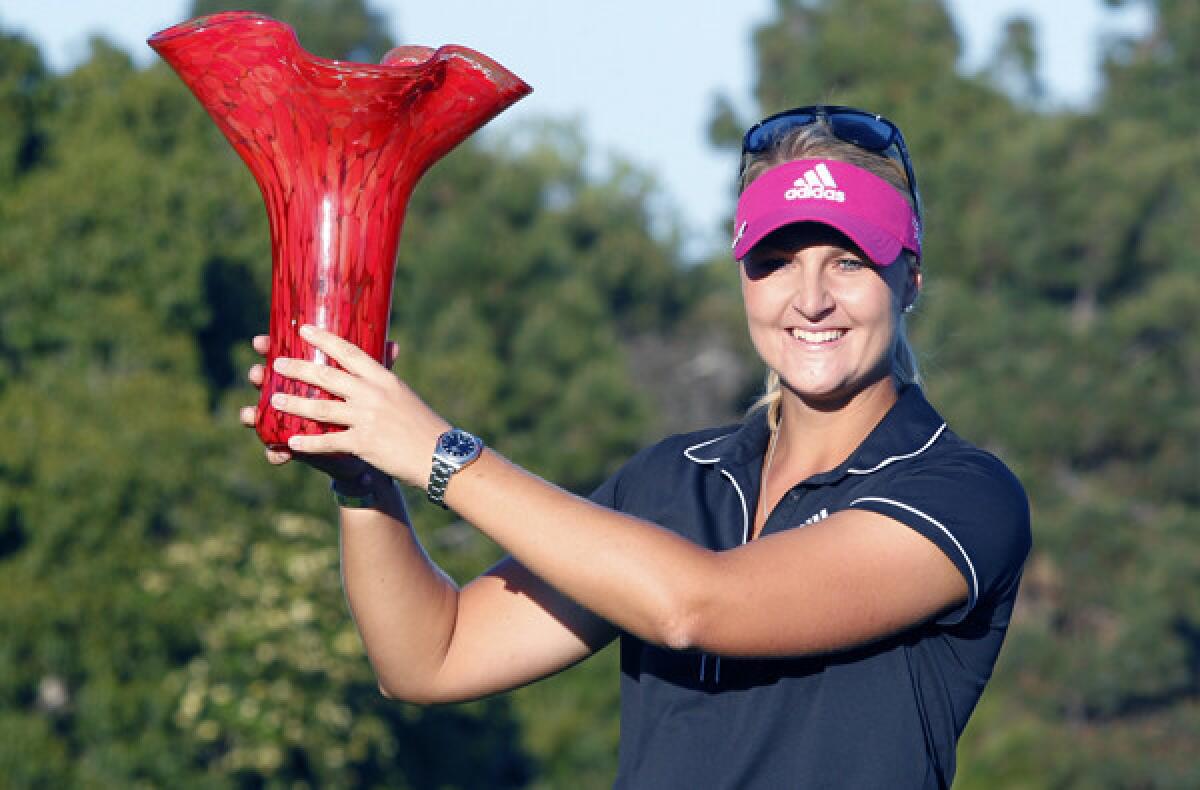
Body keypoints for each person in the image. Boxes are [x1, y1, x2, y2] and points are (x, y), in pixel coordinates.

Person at [240, 105, 1031, 788]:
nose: (811, 299)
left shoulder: (961, 494)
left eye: (848, 261)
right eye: (776, 263)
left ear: (910, 277)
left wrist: (437, 453)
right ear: (744, 278)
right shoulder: (671, 481)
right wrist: (363, 476)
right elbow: (430, 656)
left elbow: (695, 606)